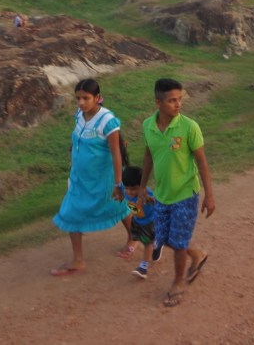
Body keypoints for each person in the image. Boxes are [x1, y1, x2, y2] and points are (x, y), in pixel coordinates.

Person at [139, 78, 215, 307]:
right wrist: (142, 187)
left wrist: (209, 195)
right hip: (161, 194)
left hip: (186, 194)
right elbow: (149, 155)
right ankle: (198, 253)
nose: (178, 104)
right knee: (162, 239)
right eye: (172, 100)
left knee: (178, 243)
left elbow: (202, 163)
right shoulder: (148, 126)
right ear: (158, 102)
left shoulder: (189, 127)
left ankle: (178, 282)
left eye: (180, 99)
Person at [52, 79, 130, 276]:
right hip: (80, 177)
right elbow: (77, 136)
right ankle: (78, 260)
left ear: (97, 98)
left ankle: (134, 237)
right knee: (71, 212)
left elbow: (116, 153)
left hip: (101, 179)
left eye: (86, 98)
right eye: (78, 98)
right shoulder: (79, 115)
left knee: (119, 206)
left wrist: (118, 183)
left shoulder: (107, 121)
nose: (81, 102)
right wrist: (74, 148)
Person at [121, 165, 158, 279]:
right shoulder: (124, 189)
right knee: (140, 239)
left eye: (133, 189)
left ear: (142, 186)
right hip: (138, 220)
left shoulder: (148, 193)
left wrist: (150, 199)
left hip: (150, 223)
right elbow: (119, 188)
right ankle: (156, 243)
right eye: (127, 188)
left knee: (147, 244)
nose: (129, 192)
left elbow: (158, 204)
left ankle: (143, 268)